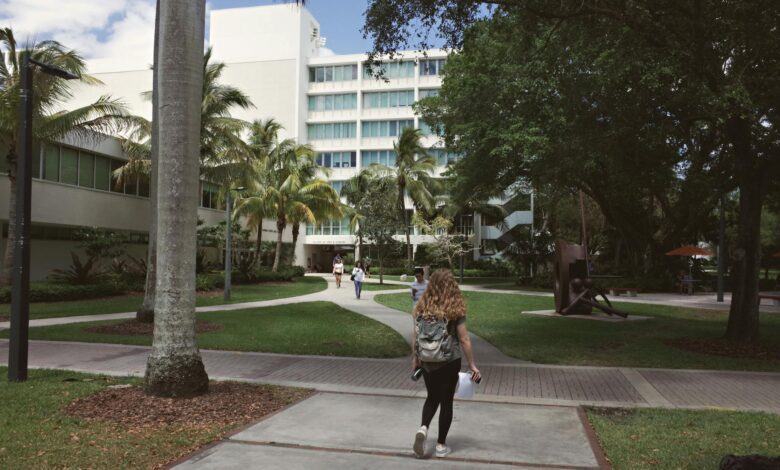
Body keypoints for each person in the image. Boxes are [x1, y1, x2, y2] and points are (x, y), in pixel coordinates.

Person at [411, 270, 480, 459]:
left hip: (426, 360)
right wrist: (472, 365)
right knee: (446, 401)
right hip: (449, 361)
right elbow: (464, 339)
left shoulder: (421, 308)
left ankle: (423, 428)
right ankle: (441, 445)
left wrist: (415, 360)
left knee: (431, 397)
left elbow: (416, 336)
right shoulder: (454, 309)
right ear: (452, 286)